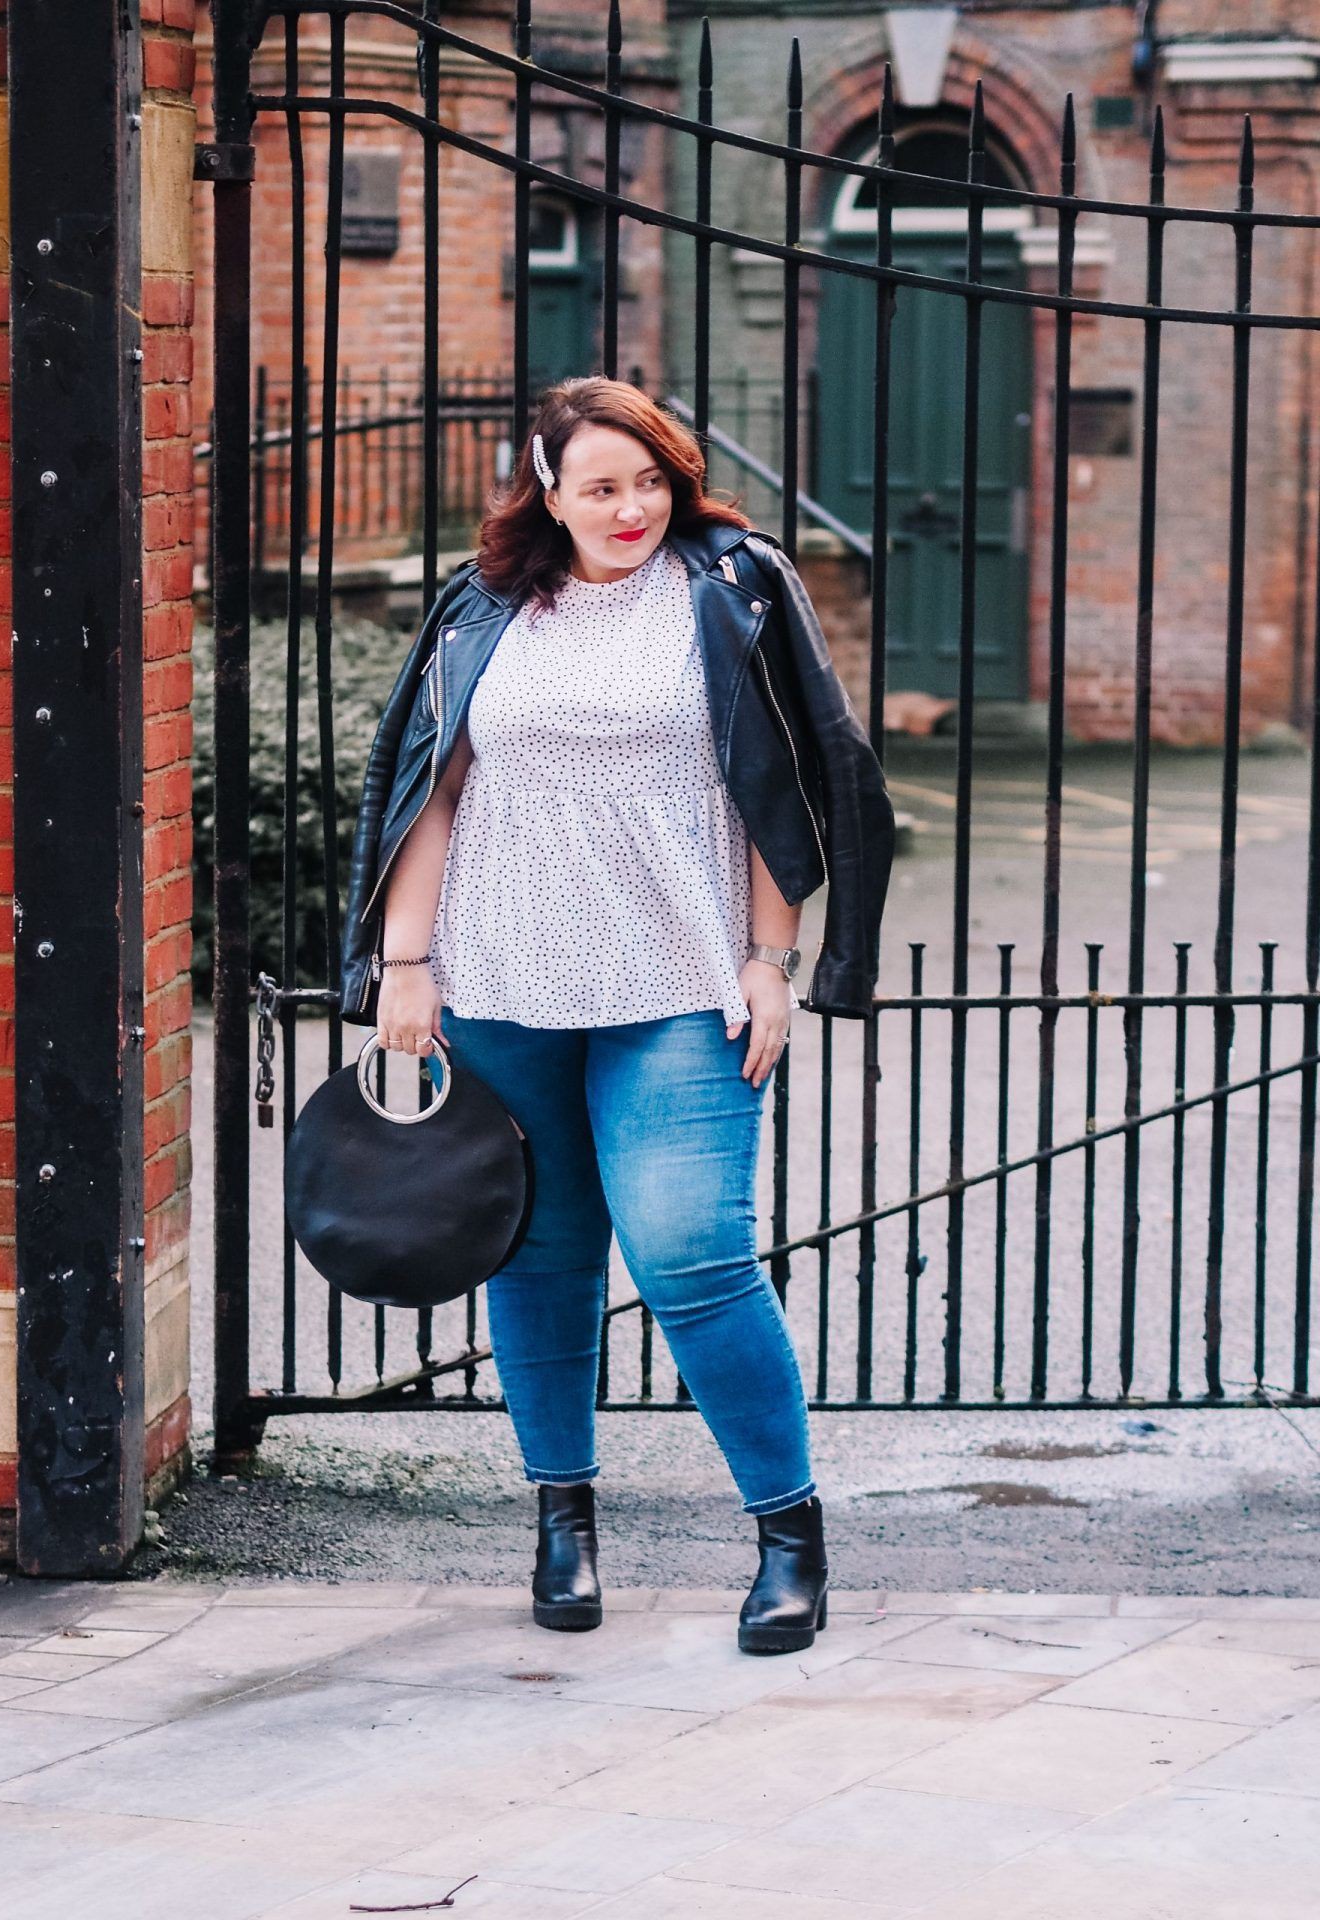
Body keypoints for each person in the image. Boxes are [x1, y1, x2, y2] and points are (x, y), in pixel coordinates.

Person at [339, 376, 894, 1653]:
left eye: (650, 480)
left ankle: (789, 1535)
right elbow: (436, 784)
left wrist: (772, 956)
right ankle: (563, 1520)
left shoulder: (734, 584)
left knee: (693, 1252)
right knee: (537, 1253)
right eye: (601, 486)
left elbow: (786, 775)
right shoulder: (488, 605)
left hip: (679, 980)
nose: (631, 508)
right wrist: (405, 965)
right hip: (505, 977)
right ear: (545, 486)